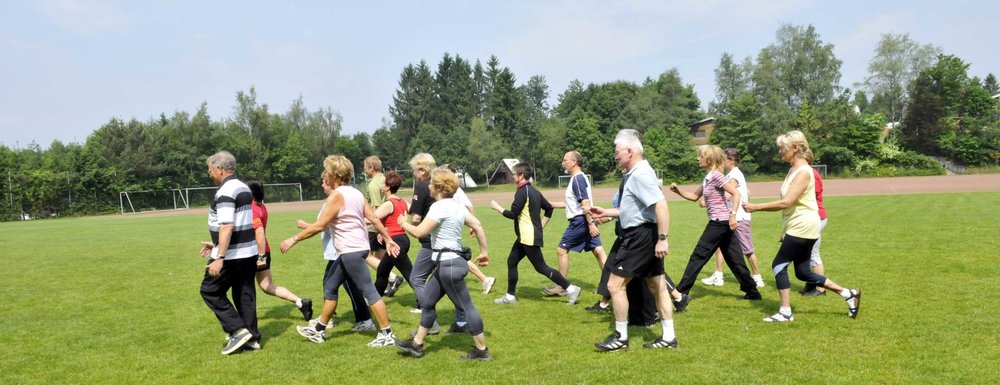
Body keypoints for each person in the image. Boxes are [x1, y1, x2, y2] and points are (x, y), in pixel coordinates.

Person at [280, 155, 402, 346]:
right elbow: (374, 218)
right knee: (330, 285)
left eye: (327, 172)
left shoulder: (337, 196)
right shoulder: (356, 193)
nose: (325, 177)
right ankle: (318, 330)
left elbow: (320, 226)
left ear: (335, 175)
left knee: (370, 291)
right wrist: (387, 239)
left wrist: (293, 238)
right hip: (355, 249)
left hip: (351, 251)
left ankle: (387, 334)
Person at [743, 130, 861, 322]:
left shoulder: (804, 172)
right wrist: (786, 229)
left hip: (804, 225)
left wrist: (755, 207)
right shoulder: (793, 169)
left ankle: (785, 312)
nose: (780, 151)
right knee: (803, 272)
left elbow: (786, 202)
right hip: (799, 225)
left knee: (778, 266)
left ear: (795, 148)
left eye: (783, 147)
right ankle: (848, 294)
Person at [589, 129, 679, 351]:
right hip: (644, 233)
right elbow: (634, 210)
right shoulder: (636, 173)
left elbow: (661, 205)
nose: (615, 155)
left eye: (617, 151)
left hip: (639, 237)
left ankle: (620, 338)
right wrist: (607, 212)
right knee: (657, 285)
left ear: (629, 151)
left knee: (614, 285)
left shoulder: (640, 174)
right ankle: (669, 337)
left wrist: (663, 239)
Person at [394, 167, 493, 361]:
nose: (428, 185)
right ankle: (417, 344)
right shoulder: (457, 206)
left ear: (438, 187)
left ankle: (482, 351)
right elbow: (478, 225)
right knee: (428, 302)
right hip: (447, 264)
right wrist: (484, 252)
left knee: (467, 307)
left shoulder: (438, 207)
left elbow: (419, 232)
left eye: (431, 183)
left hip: (449, 265)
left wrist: (403, 223)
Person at [668, 145, 763, 302]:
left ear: (709, 159)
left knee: (698, 256)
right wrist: (678, 191)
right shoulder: (708, 177)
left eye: (701, 156)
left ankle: (680, 292)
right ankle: (752, 292)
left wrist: (733, 215)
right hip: (722, 224)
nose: (698, 159)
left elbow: (736, 193)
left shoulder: (716, 176)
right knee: (735, 259)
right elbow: (693, 196)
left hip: (719, 223)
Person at [489, 162, 582, 305]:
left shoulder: (522, 192)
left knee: (541, 267)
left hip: (528, 237)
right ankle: (510, 296)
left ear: (521, 175)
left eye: (514, 174)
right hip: (525, 236)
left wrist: (497, 208)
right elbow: (549, 208)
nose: (513, 176)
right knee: (511, 261)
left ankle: (571, 288)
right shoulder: (534, 191)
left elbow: (513, 214)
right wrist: (541, 226)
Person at [198, 151, 260, 355]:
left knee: (209, 290)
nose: (210, 175)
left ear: (220, 169)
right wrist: (214, 243)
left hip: (231, 255)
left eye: (210, 171)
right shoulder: (243, 187)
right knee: (244, 293)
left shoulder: (225, 191)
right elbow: (240, 222)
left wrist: (219, 257)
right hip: (248, 251)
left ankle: (237, 330)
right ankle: (252, 338)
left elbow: (227, 226)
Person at [243, 177, 313, 322]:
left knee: (245, 288)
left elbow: (259, 233)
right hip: (263, 251)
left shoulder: (253, 209)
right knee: (266, 286)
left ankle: (245, 323)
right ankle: (301, 303)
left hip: (254, 253)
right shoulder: (261, 206)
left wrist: (260, 257)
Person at [544, 151, 608, 298]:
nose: (562, 163)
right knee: (598, 251)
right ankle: (611, 283)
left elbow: (584, 204)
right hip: (585, 219)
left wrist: (590, 224)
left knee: (561, 250)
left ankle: (561, 285)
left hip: (580, 221)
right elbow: (570, 204)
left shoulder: (577, 179)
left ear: (573, 162)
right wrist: (548, 204)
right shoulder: (578, 178)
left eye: (565, 160)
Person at [700, 148, 765, 288]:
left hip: (739, 217)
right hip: (729, 217)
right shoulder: (730, 174)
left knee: (747, 249)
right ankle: (718, 275)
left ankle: (757, 277)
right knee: (719, 246)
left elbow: (730, 194)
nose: (722, 162)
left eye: (724, 159)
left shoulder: (734, 174)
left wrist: (707, 202)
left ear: (731, 161)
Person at [440, 164, 497, 296]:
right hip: (448, 227)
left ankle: (484, 279)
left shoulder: (456, 190)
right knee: (451, 256)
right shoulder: (449, 189)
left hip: (450, 227)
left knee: (453, 255)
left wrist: (473, 224)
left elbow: (469, 206)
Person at [372, 172, 416, 301]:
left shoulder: (389, 203)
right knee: (382, 271)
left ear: (387, 187)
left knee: (409, 273)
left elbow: (372, 219)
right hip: (402, 239)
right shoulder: (402, 201)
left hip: (395, 242)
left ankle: (424, 302)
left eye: (383, 183)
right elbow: (413, 212)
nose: (381, 185)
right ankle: (374, 300)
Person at [362, 156, 402, 296]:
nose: (364, 170)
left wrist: (379, 228)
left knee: (364, 255)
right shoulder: (384, 179)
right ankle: (384, 285)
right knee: (380, 258)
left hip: (375, 226)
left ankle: (392, 277)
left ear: (371, 168)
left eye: (365, 167)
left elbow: (378, 209)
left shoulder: (373, 185)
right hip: (386, 226)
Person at [800, 149, 828, 296]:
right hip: (811, 218)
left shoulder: (812, 175)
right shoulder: (807, 173)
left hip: (816, 218)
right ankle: (811, 283)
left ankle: (820, 288)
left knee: (813, 254)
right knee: (805, 254)